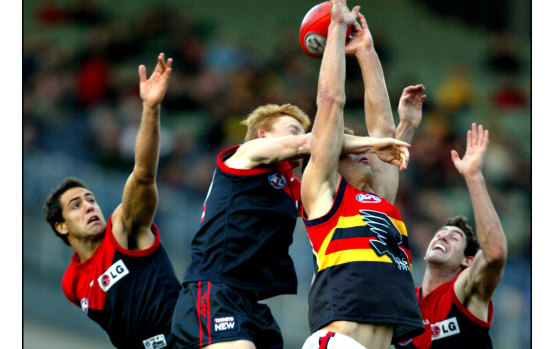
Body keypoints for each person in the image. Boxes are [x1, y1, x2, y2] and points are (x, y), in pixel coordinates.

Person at [170, 38, 411, 349]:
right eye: (294, 128)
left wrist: (399, 129)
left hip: (252, 303)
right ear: (263, 134)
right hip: (215, 288)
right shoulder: (246, 155)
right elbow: (317, 142)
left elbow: (357, 142)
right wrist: (368, 143)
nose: (304, 135)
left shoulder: (294, 188)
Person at [300, 1, 425, 348]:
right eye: (354, 152)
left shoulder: (379, 197)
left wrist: (366, 52)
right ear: (332, 160)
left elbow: (383, 127)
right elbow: (330, 102)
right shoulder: (323, 195)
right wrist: (337, 29)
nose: (367, 155)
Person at [43, 53, 181, 349]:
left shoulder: (124, 229)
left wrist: (150, 108)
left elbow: (143, 176)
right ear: (62, 226)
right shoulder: (72, 284)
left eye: (90, 199)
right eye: (75, 205)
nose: (89, 206)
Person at [395, 123, 508, 349]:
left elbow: (494, 254)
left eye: (454, 238)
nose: (442, 238)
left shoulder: (464, 290)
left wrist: (473, 176)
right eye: (440, 234)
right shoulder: (404, 303)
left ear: (467, 261)